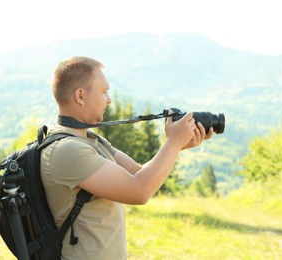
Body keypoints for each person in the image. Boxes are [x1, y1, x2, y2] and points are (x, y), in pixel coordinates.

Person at [40, 56, 213, 259]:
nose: (109, 99)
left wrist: (178, 146)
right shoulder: (67, 150)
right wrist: (173, 142)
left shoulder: (90, 139)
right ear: (80, 96)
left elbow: (139, 174)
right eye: (104, 92)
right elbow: (139, 191)